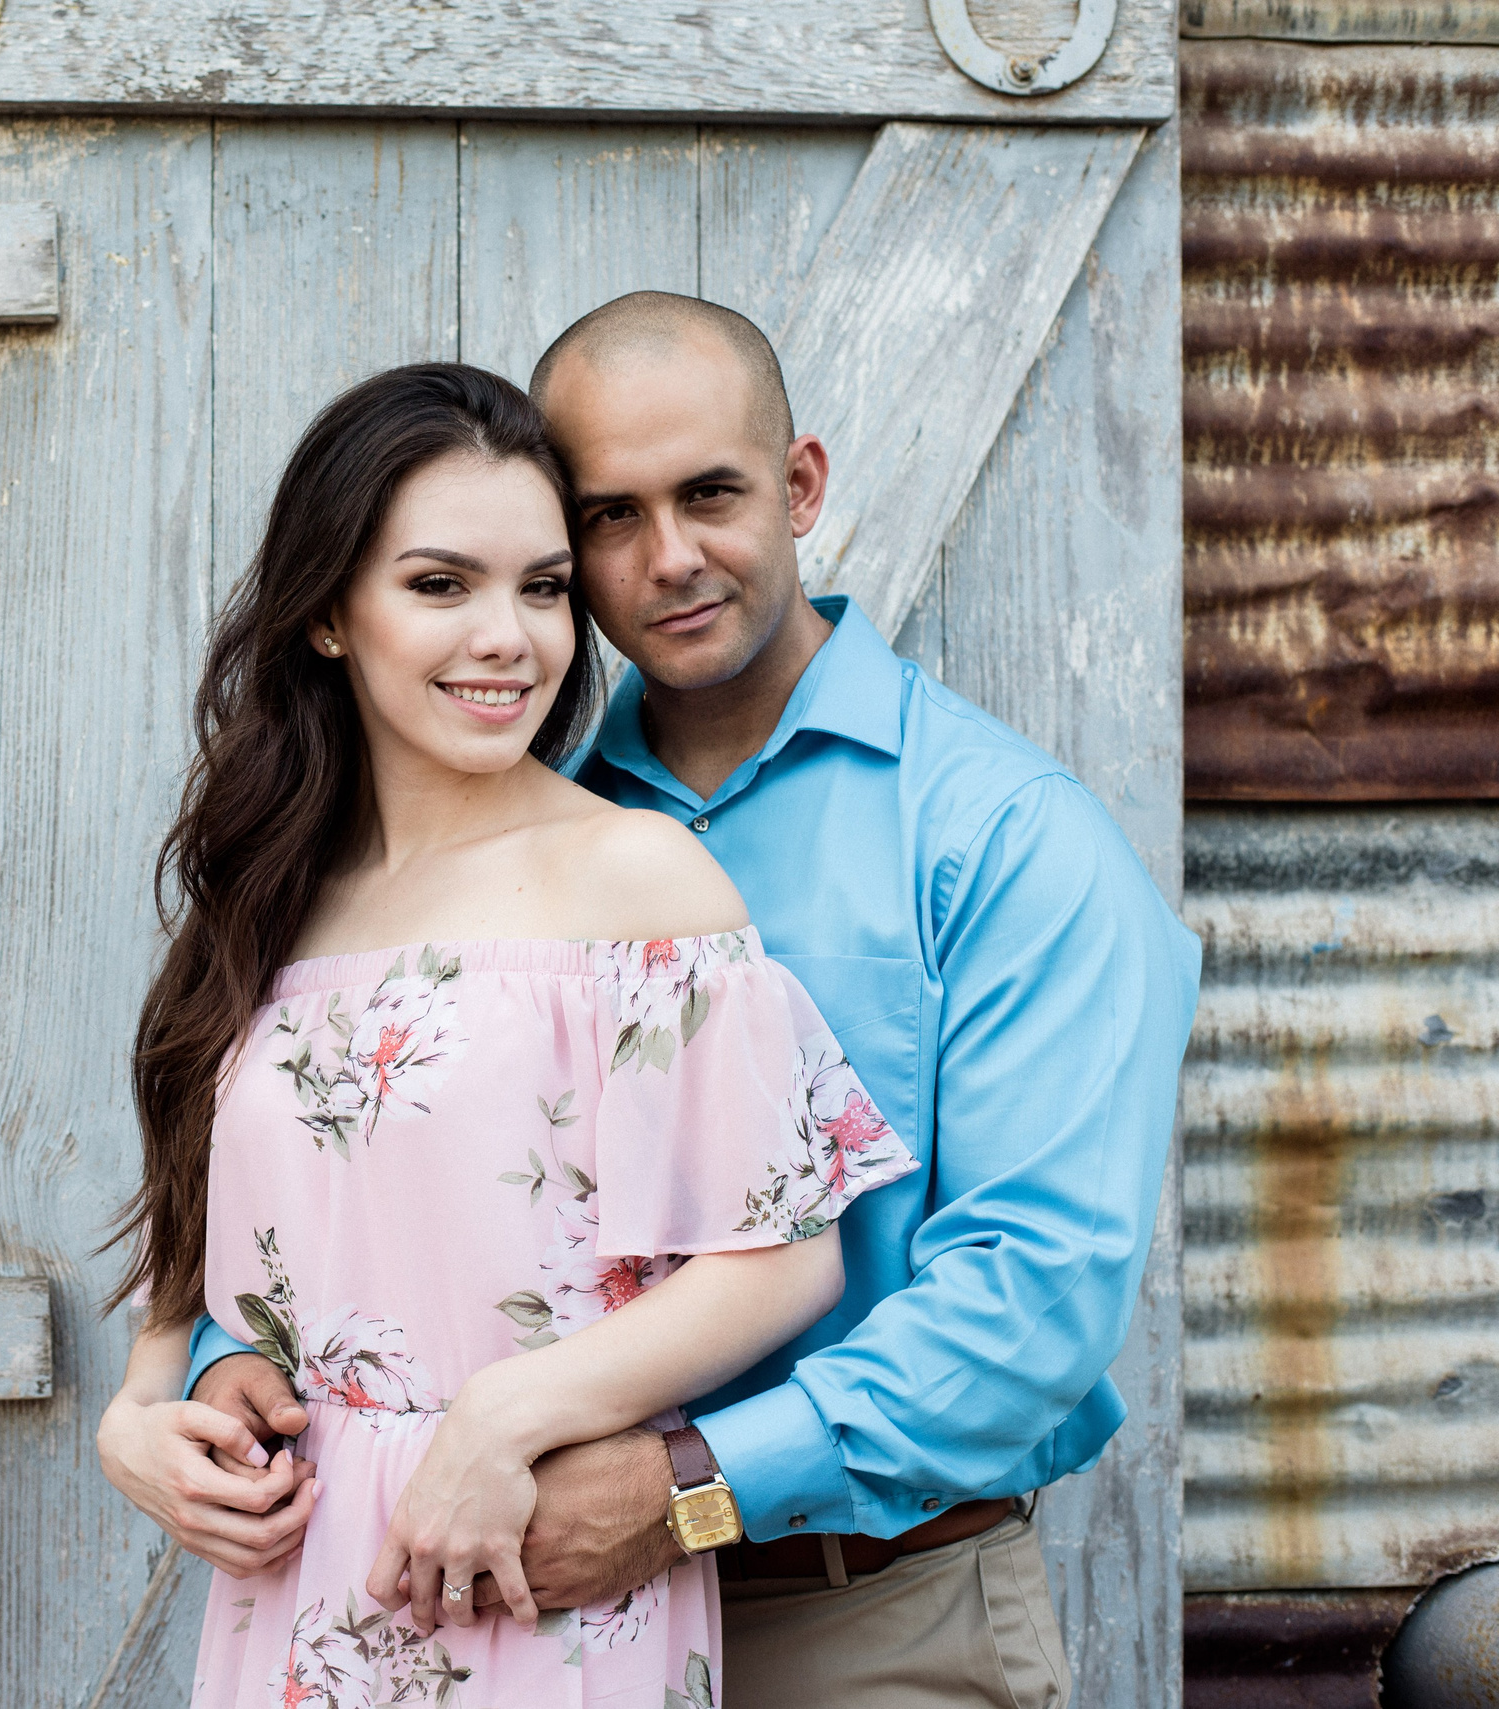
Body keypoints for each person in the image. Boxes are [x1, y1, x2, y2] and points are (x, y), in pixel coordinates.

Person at [123, 294, 1202, 1709]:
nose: (668, 556)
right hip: (452, 1583)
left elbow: (1033, 1303)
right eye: (610, 519)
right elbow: (359, 1219)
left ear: (802, 485)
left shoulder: (1001, 837)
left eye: (711, 495)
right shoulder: (476, 838)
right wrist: (204, 1382)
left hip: (862, 1612)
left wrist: (684, 1489)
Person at [94, 363, 919, 1705]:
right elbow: (202, 1252)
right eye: (440, 585)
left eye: (541, 587)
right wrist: (138, 1417)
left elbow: (779, 1261)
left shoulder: (637, 880)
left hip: (531, 1572)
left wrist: (504, 1417)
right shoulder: (270, 900)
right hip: (299, 1598)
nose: (509, 637)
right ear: (324, 615)